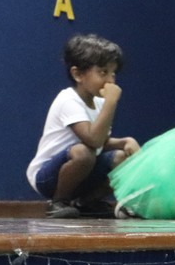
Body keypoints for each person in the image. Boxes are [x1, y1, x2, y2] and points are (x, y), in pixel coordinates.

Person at [27, 34, 140, 218]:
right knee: (84, 152)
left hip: (84, 169)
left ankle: (86, 202)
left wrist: (125, 142)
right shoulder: (68, 100)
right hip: (47, 177)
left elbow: (101, 142)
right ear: (77, 74)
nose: (110, 81)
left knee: (121, 158)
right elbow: (92, 140)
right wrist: (111, 103)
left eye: (113, 73)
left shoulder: (100, 102)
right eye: (103, 72)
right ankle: (58, 202)